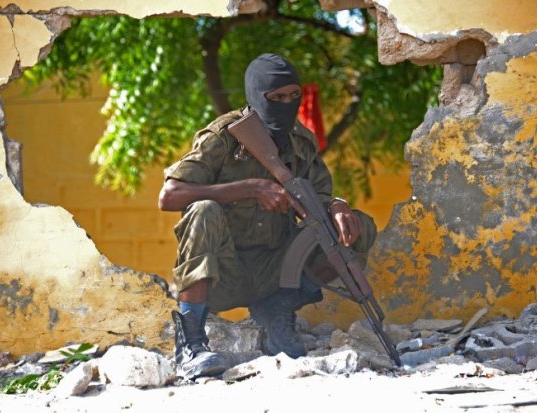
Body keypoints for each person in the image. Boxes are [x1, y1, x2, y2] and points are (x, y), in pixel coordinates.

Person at [158, 53, 377, 380]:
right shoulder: (224, 136)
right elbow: (170, 195)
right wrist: (249, 188)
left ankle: (278, 309)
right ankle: (191, 344)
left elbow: (320, 195)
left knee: (358, 226)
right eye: (276, 98)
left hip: (276, 272)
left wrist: (338, 205)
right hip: (222, 273)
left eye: (293, 95)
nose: (287, 104)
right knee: (203, 210)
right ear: (256, 97)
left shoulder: (300, 141)